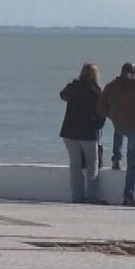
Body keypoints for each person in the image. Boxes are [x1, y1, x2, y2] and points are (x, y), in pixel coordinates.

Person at [97, 62, 135, 207]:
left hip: (121, 125)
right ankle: (128, 195)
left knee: (118, 129)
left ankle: (116, 158)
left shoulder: (112, 86)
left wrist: (112, 115)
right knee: (133, 161)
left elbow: (100, 107)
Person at [58, 63, 106, 204]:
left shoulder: (74, 88)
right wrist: (97, 125)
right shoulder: (97, 92)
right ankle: (91, 196)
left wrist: (73, 84)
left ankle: (77, 197)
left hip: (69, 131)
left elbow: (63, 95)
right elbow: (102, 115)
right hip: (88, 133)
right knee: (92, 164)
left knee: (75, 165)